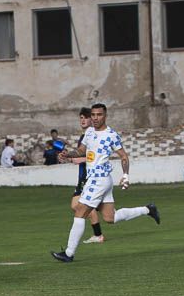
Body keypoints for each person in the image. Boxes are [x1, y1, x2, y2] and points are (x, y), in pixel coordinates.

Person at [51, 103, 160, 263]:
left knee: (80, 212)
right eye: (93, 115)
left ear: (105, 116)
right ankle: (148, 209)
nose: (95, 118)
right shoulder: (89, 132)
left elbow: (123, 156)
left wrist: (126, 175)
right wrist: (68, 154)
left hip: (98, 180)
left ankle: (68, 253)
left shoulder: (111, 135)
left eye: (99, 115)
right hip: (100, 180)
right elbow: (81, 151)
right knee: (110, 217)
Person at [58, 107, 106, 244]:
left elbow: (96, 157)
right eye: (81, 117)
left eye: (86, 117)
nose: (83, 120)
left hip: (89, 176)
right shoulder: (83, 137)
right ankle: (146, 210)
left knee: (83, 206)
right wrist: (67, 156)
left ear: (92, 120)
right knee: (76, 206)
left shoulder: (94, 135)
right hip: (82, 177)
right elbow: (79, 155)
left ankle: (98, 235)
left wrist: (79, 159)